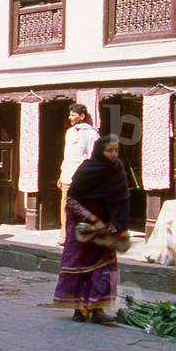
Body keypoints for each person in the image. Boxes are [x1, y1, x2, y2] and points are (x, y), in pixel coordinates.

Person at [52, 135, 129, 324]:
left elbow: (122, 199)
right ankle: (79, 308)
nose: (113, 154)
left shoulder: (117, 169)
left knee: (104, 267)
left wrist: (115, 224)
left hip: (105, 228)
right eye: (109, 150)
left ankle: (98, 309)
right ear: (99, 151)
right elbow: (71, 199)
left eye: (116, 150)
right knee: (79, 266)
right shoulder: (87, 169)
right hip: (82, 226)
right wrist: (93, 219)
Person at [57, 103, 100, 246]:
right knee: (65, 206)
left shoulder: (92, 134)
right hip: (67, 176)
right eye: (69, 114)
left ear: (82, 116)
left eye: (73, 115)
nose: (70, 117)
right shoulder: (69, 132)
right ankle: (65, 235)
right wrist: (61, 174)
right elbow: (67, 156)